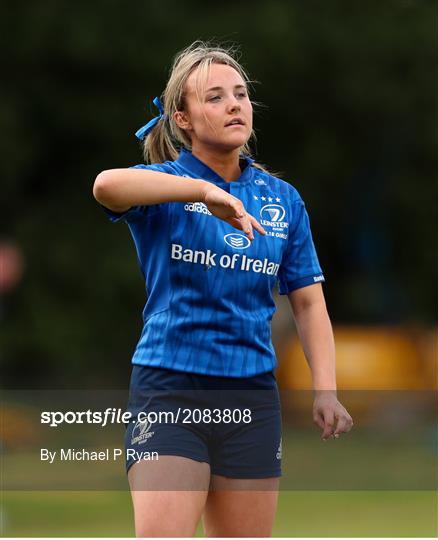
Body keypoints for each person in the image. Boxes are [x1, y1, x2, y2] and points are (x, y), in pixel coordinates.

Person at [93, 41, 353, 538]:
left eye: (241, 94)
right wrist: (204, 191)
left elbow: (307, 301)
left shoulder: (282, 199)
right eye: (214, 97)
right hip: (170, 389)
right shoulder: (166, 185)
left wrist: (327, 389)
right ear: (182, 118)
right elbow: (106, 186)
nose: (235, 104)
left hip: (252, 397)